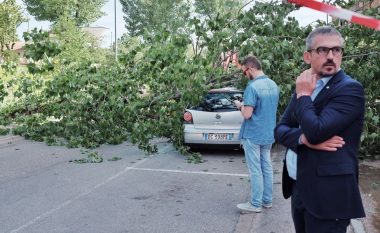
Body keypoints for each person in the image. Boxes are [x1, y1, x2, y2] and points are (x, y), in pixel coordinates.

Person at [274, 26, 365, 233]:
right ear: (308, 56)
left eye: (337, 50)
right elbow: (279, 130)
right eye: (323, 50)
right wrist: (303, 139)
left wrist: (304, 96)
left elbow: (317, 131)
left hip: (329, 195)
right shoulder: (304, 85)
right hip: (300, 187)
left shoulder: (349, 89)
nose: (331, 56)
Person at [234, 55, 279, 213]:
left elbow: (247, 114)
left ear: (251, 68)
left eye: (245, 72)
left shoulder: (252, 87)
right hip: (268, 134)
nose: (245, 75)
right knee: (266, 167)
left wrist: (240, 105)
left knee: (255, 170)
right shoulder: (273, 85)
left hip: (253, 135)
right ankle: (267, 200)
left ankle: (255, 204)